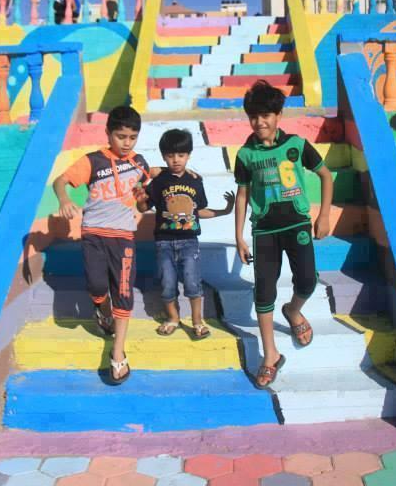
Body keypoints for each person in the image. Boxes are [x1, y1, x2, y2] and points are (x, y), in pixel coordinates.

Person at [233, 80, 334, 389]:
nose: (259, 122)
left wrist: (324, 215)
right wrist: (239, 237)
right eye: (253, 116)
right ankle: (271, 355)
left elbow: (325, 175)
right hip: (264, 230)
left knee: (307, 281)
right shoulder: (245, 155)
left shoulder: (297, 145)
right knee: (264, 291)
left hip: (297, 225)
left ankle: (293, 310)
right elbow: (242, 195)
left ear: (278, 115)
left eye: (266, 115)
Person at [53, 105, 150, 384]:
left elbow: (142, 198)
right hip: (94, 234)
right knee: (97, 286)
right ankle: (102, 309)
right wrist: (64, 200)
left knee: (123, 291)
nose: (127, 143)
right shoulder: (93, 161)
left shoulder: (139, 163)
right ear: (108, 133)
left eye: (132, 137)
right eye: (121, 136)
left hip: (124, 236)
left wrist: (145, 201)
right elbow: (60, 181)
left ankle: (117, 353)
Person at [136, 129, 235, 340]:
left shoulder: (195, 181)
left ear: (188, 155)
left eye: (181, 155)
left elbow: (198, 211)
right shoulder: (159, 181)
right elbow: (144, 207)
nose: (176, 160)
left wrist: (224, 211)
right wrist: (140, 198)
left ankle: (198, 321)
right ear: (164, 156)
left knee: (192, 282)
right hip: (163, 243)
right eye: (170, 155)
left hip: (189, 242)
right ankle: (173, 318)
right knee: (167, 283)